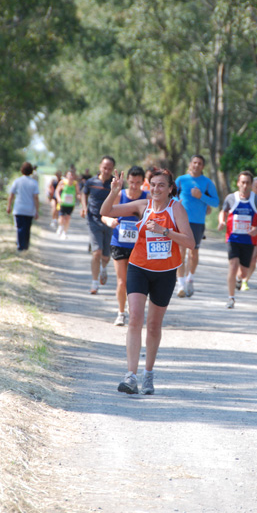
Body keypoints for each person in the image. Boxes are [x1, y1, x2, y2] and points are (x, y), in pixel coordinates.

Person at [100, 168, 194, 395]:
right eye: (152, 184)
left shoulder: (176, 208)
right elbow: (106, 211)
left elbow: (190, 241)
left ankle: (148, 374)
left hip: (165, 272)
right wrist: (114, 191)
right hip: (139, 267)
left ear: (170, 188)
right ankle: (130, 376)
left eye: (161, 185)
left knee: (153, 325)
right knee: (135, 319)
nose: (156, 189)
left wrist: (165, 231)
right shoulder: (143, 205)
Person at [218, 170, 257, 309]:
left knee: (243, 272)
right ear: (238, 183)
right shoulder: (231, 198)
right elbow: (223, 211)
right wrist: (221, 222)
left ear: (251, 184)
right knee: (233, 265)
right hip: (232, 238)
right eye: (242, 182)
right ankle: (231, 298)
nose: (245, 185)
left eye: (248, 182)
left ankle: (239, 279)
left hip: (248, 240)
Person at [103, 166, 148, 327]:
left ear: (143, 182)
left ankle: (132, 306)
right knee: (122, 281)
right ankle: (121, 313)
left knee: (133, 281)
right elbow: (105, 214)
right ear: (127, 181)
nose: (134, 186)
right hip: (119, 242)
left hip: (139, 246)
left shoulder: (146, 198)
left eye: (138, 182)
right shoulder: (120, 195)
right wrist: (110, 221)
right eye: (131, 182)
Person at [175, 155, 219, 298]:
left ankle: (189, 279)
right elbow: (171, 195)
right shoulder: (181, 180)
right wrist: (177, 201)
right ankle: (180, 283)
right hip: (181, 220)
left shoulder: (207, 183)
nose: (196, 165)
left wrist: (201, 196)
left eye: (200, 163)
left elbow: (216, 202)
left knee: (193, 253)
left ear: (203, 167)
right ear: (190, 164)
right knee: (180, 252)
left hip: (198, 222)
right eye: (194, 162)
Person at [81, 156, 115, 294]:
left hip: (109, 220)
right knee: (97, 252)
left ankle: (103, 268)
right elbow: (83, 194)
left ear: (113, 169)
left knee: (106, 256)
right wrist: (84, 207)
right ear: (100, 166)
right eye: (104, 167)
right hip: (93, 219)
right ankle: (94, 283)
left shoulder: (114, 183)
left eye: (109, 168)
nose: (106, 170)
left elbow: (120, 198)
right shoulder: (91, 182)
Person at [6, 161, 39, 251]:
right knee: (27, 228)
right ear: (31, 171)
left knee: (20, 228)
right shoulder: (34, 183)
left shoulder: (17, 181)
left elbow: (11, 195)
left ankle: (20, 246)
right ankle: (25, 246)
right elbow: (36, 197)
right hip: (29, 210)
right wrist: (37, 210)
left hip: (19, 208)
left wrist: (8, 206)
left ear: (22, 170)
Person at [55, 169, 80, 239]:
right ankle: (60, 226)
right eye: (69, 175)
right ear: (66, 175)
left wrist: (79, 196)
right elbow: (57, 191)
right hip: (63, 203)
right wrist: (59, 199)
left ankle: (64, 232)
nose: (70, 176)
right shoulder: (62, 182)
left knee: (68, 218)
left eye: (72, 175)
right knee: (61, 217)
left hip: (71, 204)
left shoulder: (75, 184)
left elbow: (78, 192)